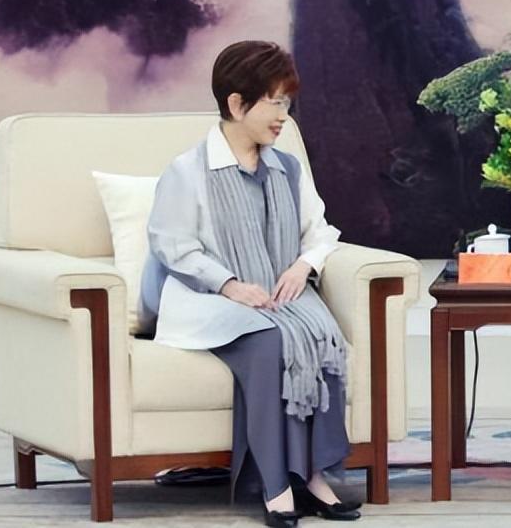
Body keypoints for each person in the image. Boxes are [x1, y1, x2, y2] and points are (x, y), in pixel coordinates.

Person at [139, 41, 360, 527]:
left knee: (317, 334)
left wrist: (302, 267)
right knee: (269, 340)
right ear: (237, 104)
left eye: (287, 102)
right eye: (274, 102)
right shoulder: (188, 171)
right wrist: (230, 285)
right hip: (208, 301)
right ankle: (276, 484)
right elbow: (173, 246)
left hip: (275, 296)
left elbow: (319, 231)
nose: (284, 115)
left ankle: (314, 477)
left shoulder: (287, 168)